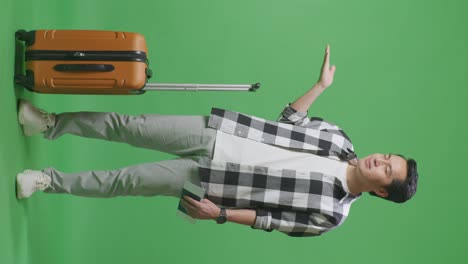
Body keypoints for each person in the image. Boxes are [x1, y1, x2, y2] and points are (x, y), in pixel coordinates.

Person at [15, 45, 418, 237]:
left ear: (383, 192)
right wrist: (320, 86)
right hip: (221, 132)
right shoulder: (339, 139)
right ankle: (48, 123)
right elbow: (291, 119)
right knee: (130, 124)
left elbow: (270, 220)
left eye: (387, 169)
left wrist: (219, 214)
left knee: (128, 181)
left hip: (213, 184)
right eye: (385, 156)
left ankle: (48, 181)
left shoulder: (332, 215)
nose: (378, 161)